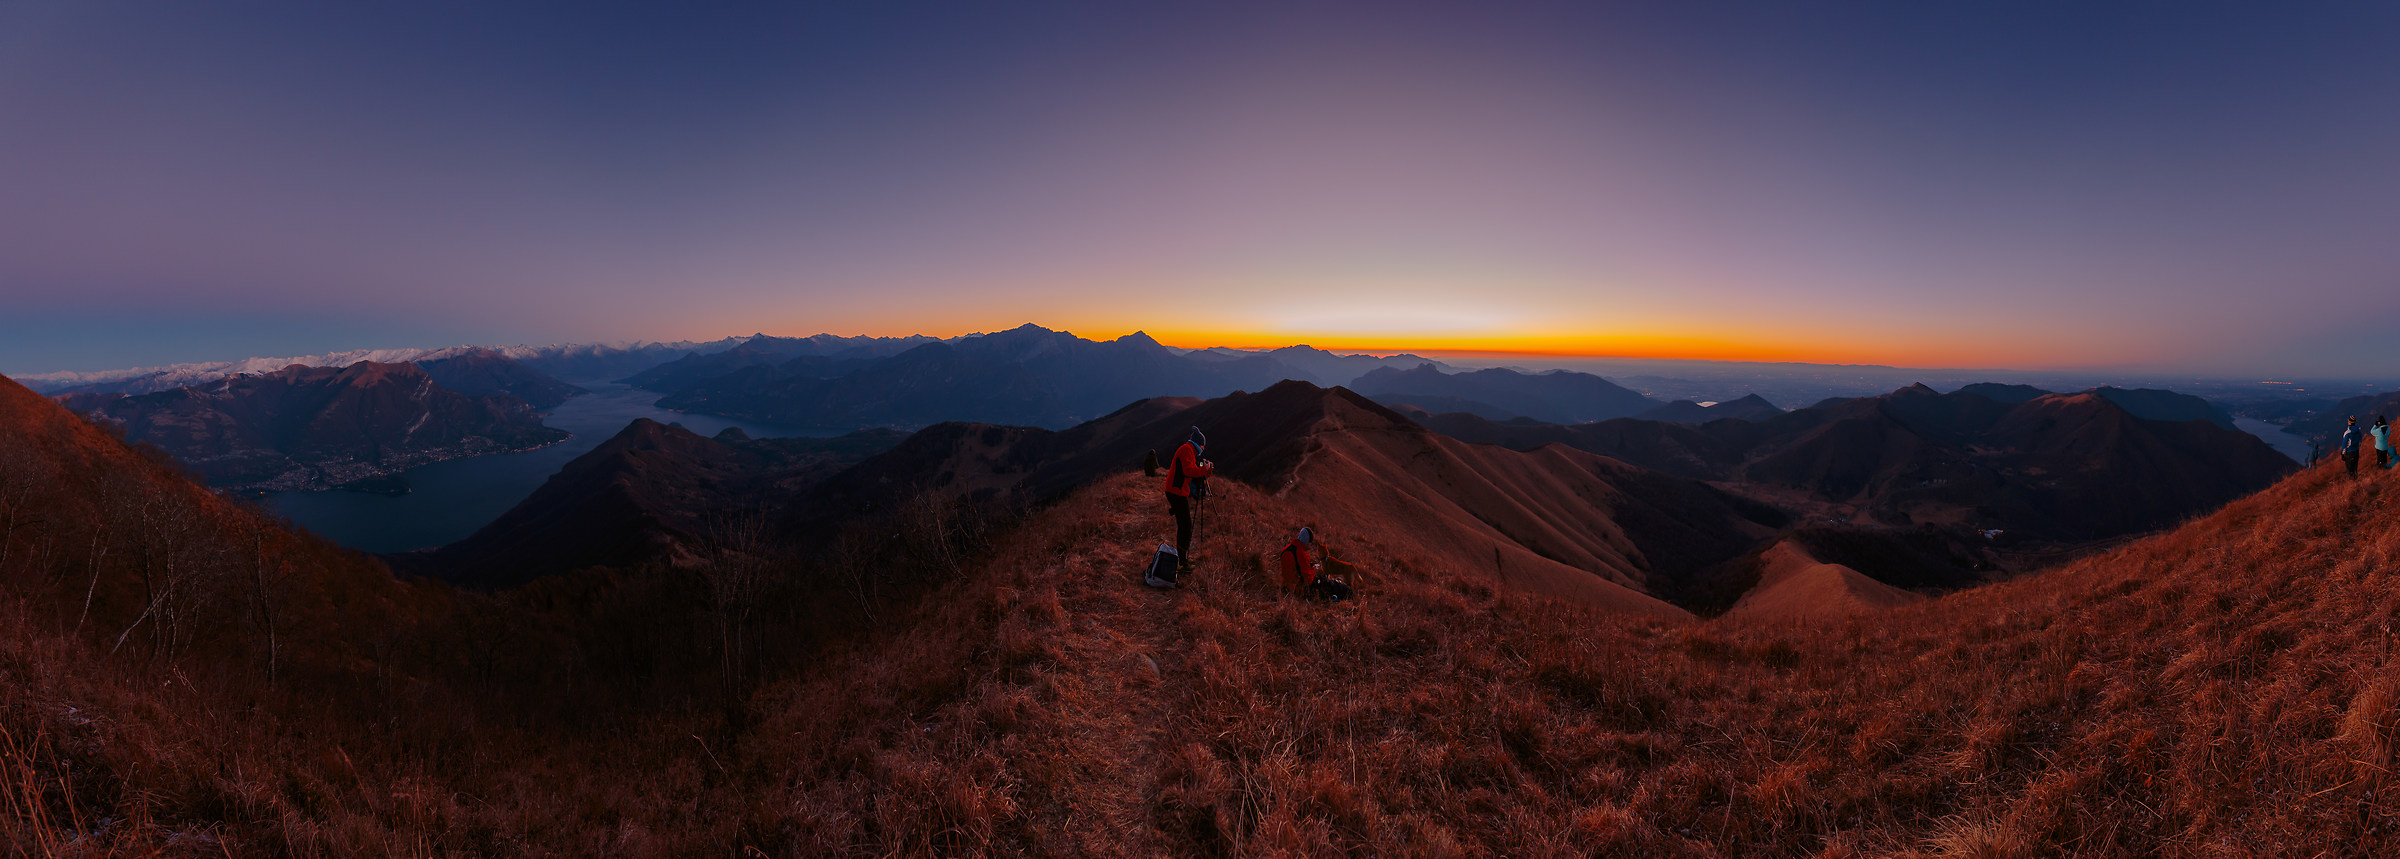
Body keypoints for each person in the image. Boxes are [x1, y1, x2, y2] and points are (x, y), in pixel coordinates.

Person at [1163, 426, 1213, 573]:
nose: (1203, 449)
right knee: (1185, 527)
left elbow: (1196, 475)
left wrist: (1207, 470)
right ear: (1198, 443)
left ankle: (1182, 558)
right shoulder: (1186, 450)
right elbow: (1189, 471)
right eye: (1203, 445)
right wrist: (1205, 468)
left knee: (1185, 526)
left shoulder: (1189, 451)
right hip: (1175, 492)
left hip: (1178, 492)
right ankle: (1181, 561)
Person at [1277, 527, 1353, 602]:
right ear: (1307, 541)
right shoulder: (1301, 554)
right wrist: (1314, 570)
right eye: (1310, 542)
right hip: (1299, 590)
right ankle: (1347, 592)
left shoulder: (1287, 548)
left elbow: (1295, 568)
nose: (1310, 545)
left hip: (1286, 586)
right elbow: (1308, 579)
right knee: (1334, 587)